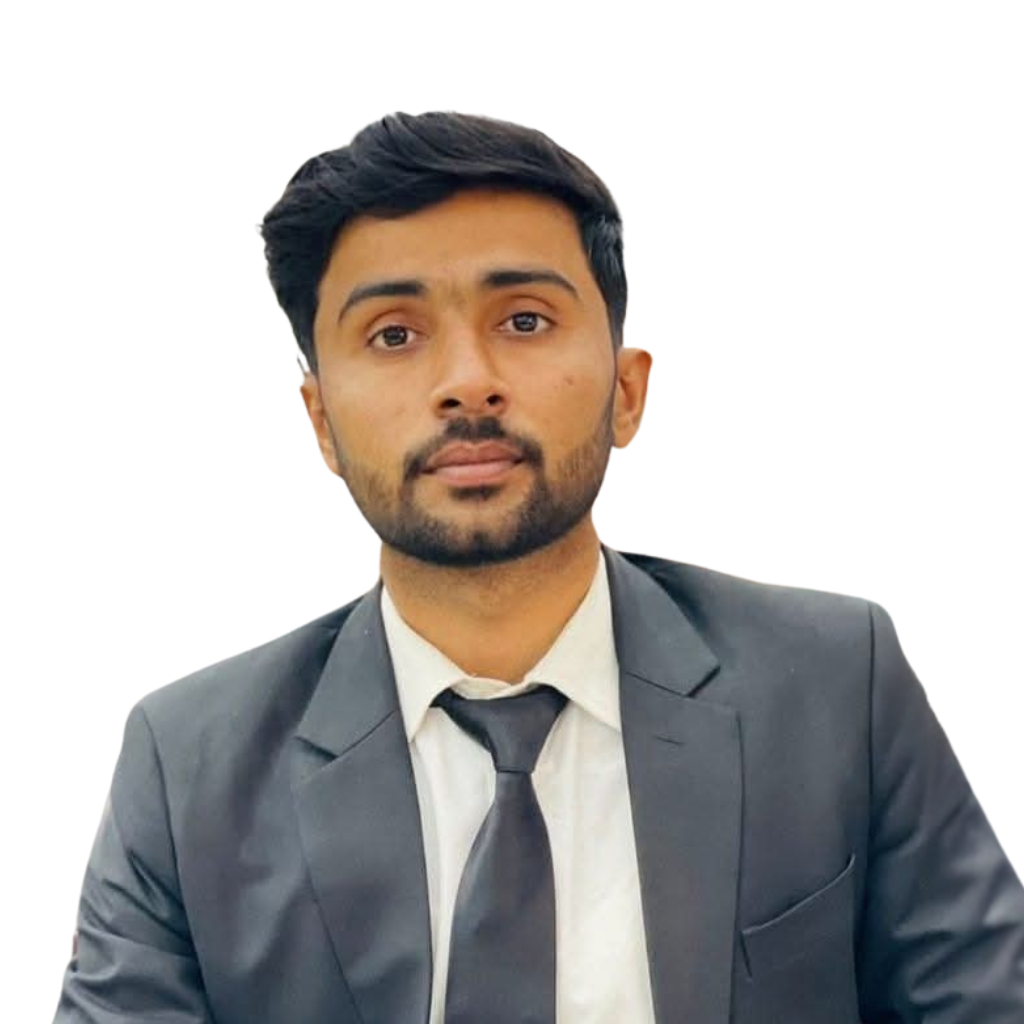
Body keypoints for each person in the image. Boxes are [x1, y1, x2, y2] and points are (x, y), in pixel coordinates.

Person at [53, 111, 1024, 1024]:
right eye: (394, 335)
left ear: (626, 391)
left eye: (522, 321)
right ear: (321, 423)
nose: (466, 382)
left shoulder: (832, 684)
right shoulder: (188, 769)